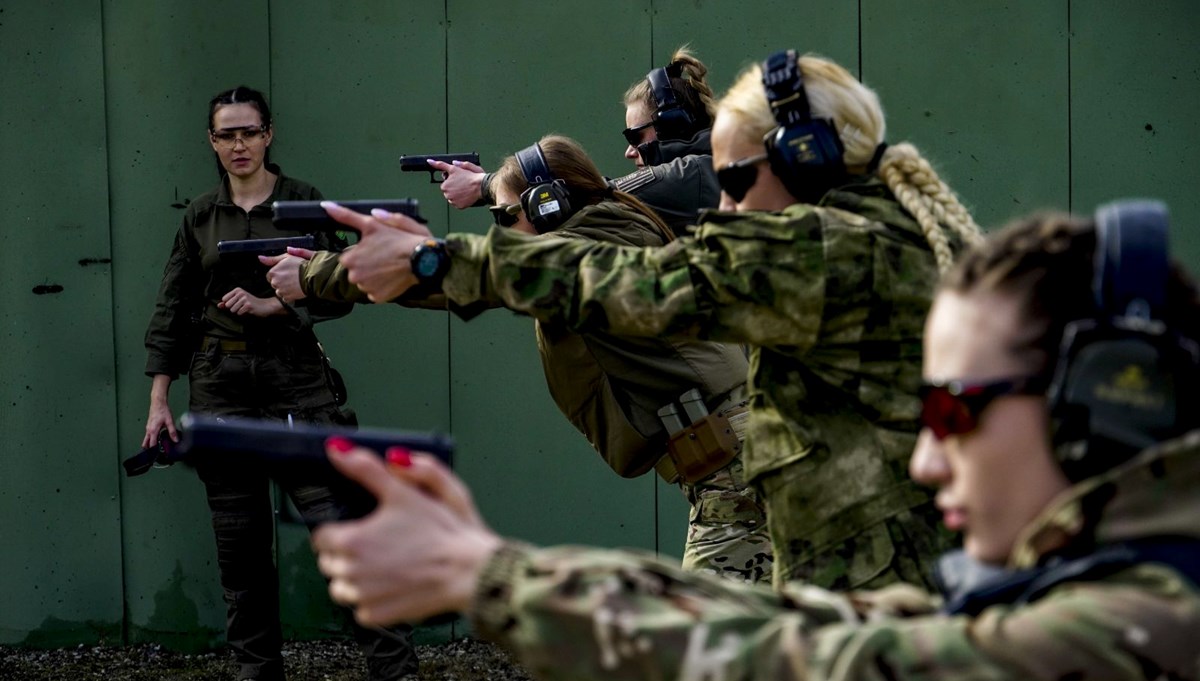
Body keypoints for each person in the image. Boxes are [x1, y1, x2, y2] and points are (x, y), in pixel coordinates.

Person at [312, 201, 1200, 680]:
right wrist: (485, 564)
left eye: (957, 412)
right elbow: (802, 621)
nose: (928, 459)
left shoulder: (1149, 622)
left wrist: (486, 576)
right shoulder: (1080, 581)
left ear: (1108, 403)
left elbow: (814, 661)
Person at [318, 50, 982, 590]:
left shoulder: (813, 251)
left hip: (865, 552)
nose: (722, 206)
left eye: (735, 180)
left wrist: (430, 263)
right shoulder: (884, 230)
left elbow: (627, 282)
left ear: (804, 157)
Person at [278, 134, 774, 582]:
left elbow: (480, 275)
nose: (501, 231)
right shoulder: (609, 226)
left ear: (551, 205)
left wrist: (321, 275)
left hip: (738, 474)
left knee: (705, 645)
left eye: (504, 217)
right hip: (742, 461)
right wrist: (493, 189)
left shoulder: (591, 246)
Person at [141, 85, 416, 681]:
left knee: (344, 538)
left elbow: (350, 283)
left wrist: (279, 306)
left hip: (295, 382)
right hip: (220, 387)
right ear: (212, 142)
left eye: (248, 132)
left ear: (268, 135)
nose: (238, 145)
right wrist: (159, 399)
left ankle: (396, 673)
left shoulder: (303, 204)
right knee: (241, 555)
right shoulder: (200, 215)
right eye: (226, 134)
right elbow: (172, 308)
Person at [427, 46, 719, 233]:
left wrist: (487, 185)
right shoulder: (707, 172)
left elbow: (594, 195)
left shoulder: (694, 175)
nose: (630, 151)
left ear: (673, 126)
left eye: (636, 135)